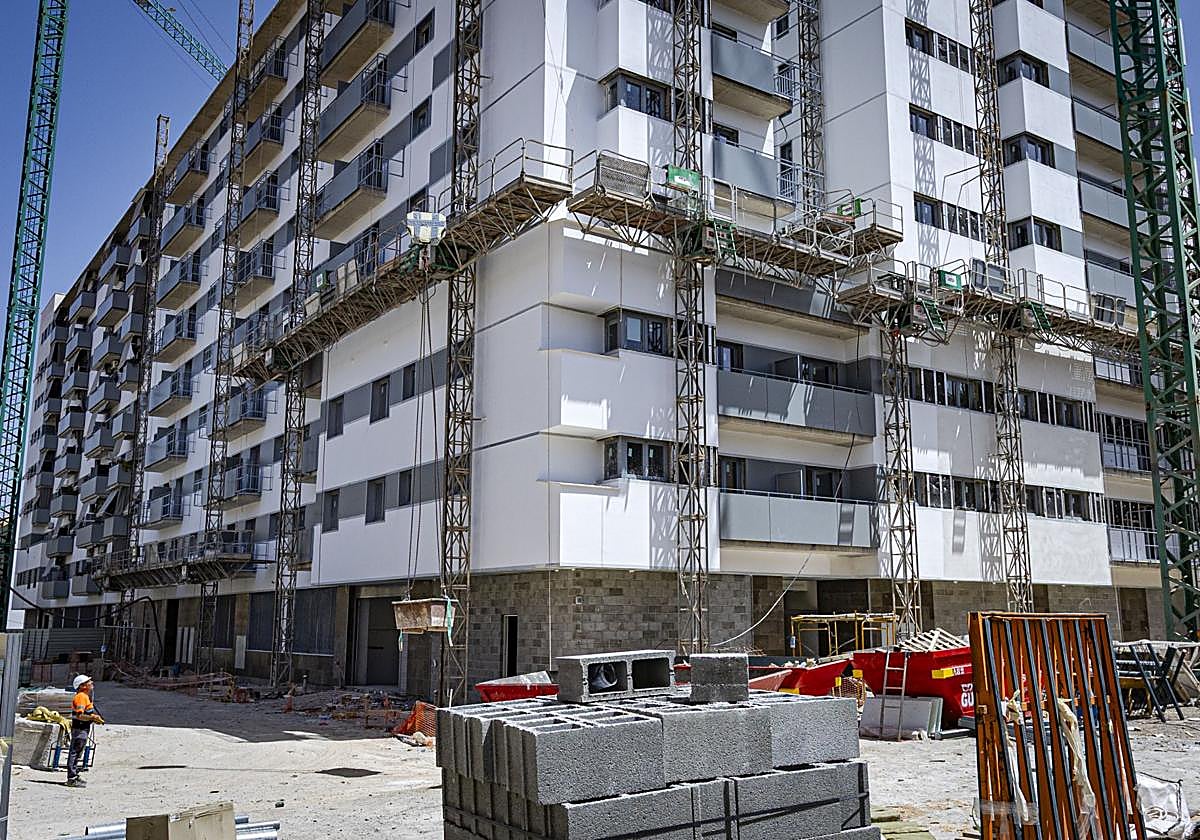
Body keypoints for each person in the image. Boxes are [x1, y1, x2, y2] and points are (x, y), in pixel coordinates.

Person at [67, 674, 103, 788]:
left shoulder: (85, 696)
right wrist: (92, 718)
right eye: (89, 682)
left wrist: (94, 718)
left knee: (78, 752)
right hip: (79, 729)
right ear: (82, 686)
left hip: (83, 728)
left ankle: (74, 775)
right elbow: (80, 715)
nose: (91, 683)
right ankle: (71, 778)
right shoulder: (81, 697)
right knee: (75, 752)